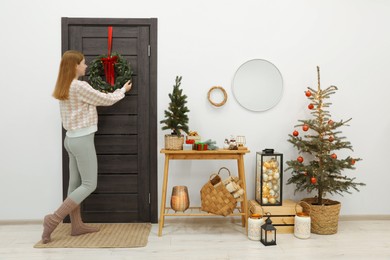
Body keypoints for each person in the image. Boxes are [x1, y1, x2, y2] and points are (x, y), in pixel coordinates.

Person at [41, 50, 132, 244]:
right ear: (74, 66)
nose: (86, 66)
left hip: (70, 140)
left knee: (74, 185)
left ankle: (77, 225)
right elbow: (105, 99)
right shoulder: (79, 86)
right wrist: (122, 90)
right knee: (90, 184)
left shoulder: (63, 85)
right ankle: (54, 220)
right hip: (82, 140)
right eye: (83, 63)